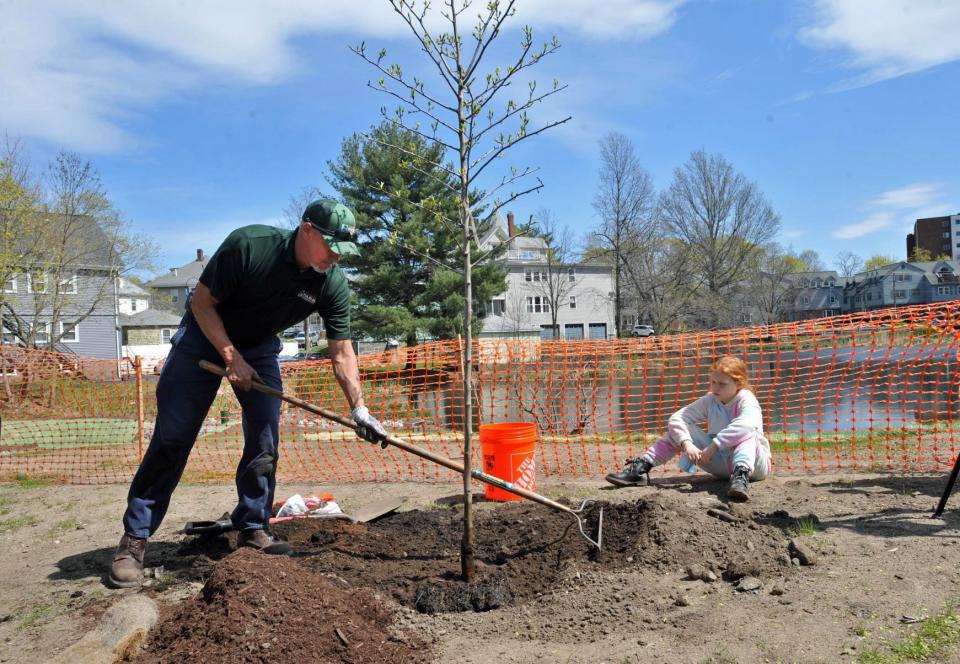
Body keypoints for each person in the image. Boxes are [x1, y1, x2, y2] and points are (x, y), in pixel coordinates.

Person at [109, 199, 388, 588]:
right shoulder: (249, 246)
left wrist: (359, 408)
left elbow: (342, 352)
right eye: (330, 247)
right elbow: (202, 303)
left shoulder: (330, 284)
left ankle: (253, 525)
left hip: (259, 346)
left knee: (264, 438)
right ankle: (134, 539)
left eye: (343, 253)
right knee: (173, 438)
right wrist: (230, 356)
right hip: (203, 341)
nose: (335, 259)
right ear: (306, 229)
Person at [605, 355, 771, 501]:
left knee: (747, 433)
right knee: (678, 430)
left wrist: (714, 445)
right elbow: (677, 418)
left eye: (722, 384)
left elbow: (746, 425)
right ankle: (641, 470)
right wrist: (687, 444)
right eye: (713, 382)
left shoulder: (747, 400)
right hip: (717, 462)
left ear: (738, 383)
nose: (715, 388)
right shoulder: (711, 399)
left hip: (754, 466)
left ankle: (740, 478)